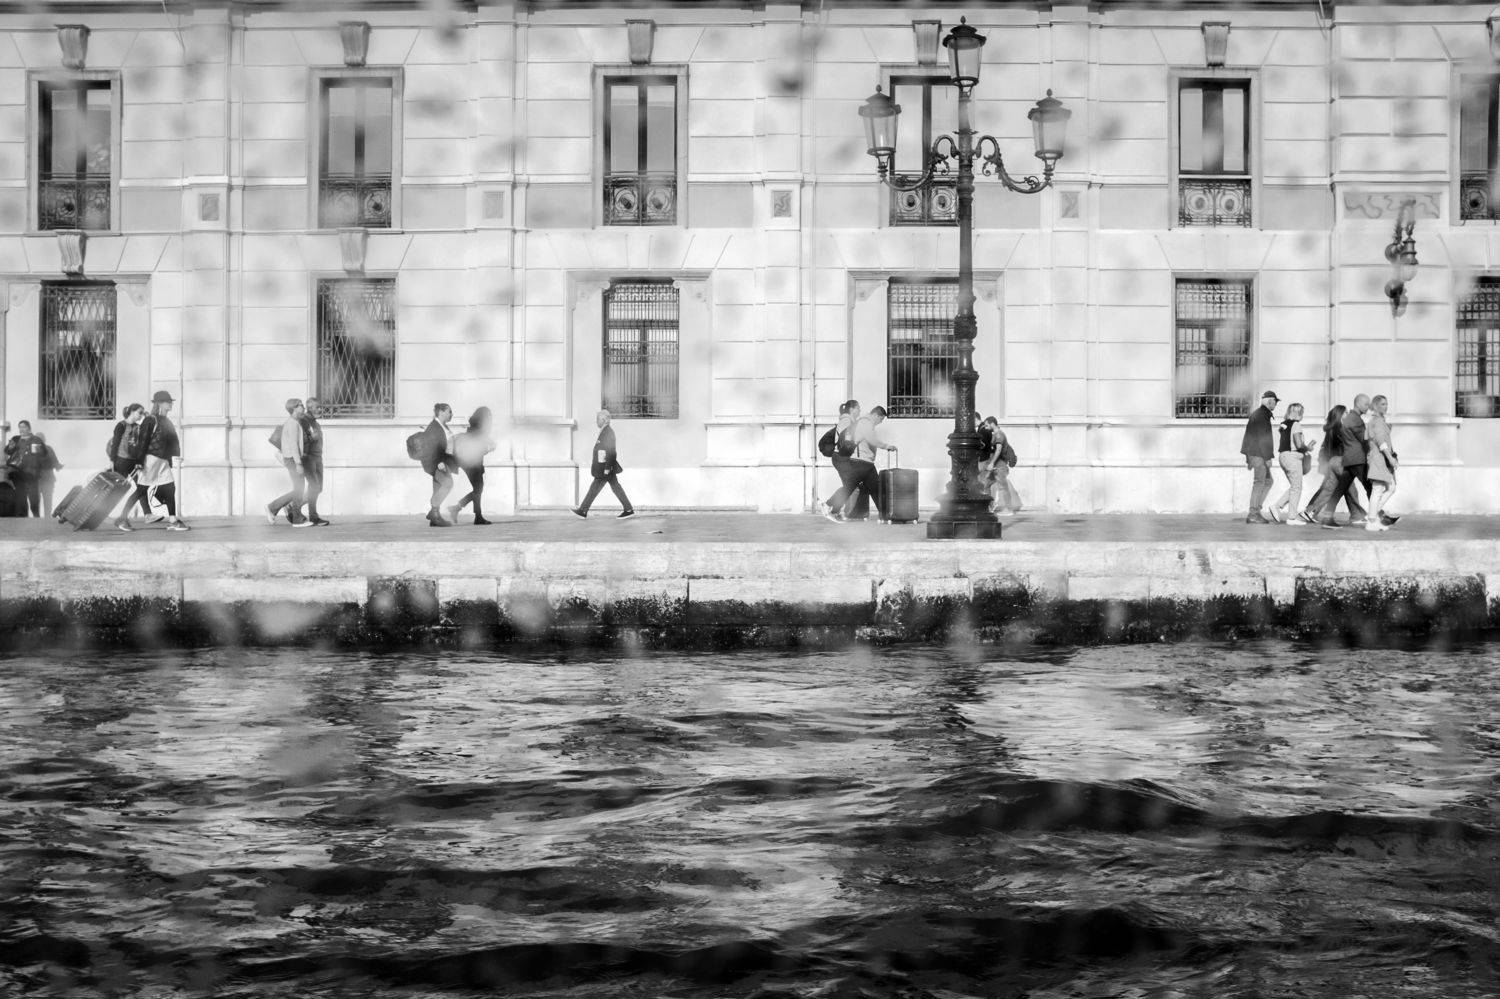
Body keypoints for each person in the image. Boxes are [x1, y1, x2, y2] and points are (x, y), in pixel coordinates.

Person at [130, 390, 190, 531]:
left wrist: (172, 458)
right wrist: (139, 461)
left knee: (170, 488)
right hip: (151, 459)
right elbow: (143, 442)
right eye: (168, 402)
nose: (171, 404)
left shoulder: (167, 421)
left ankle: (173, 520)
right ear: (160, 404)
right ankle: (122, 518)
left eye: (170, 402)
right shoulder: (151, 420)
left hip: (162, 461)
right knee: (141, 490)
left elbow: (171, 442)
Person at [1313, 394, 1372, 529]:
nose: (1368, 407)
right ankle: (1376, 516)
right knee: (1368, 487)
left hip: (1343, 460)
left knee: (1338, 489)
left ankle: (1327, 517)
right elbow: (1363, 440)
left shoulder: (1340, 425)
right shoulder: (1353, 421)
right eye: (1366, 404)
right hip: (1351, 460)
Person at [572, 408, 634, 519]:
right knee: (614, 487)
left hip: (605, 468)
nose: (596, 421)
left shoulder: (608, 432)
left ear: (603, 420)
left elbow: (611, 451)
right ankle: (628, 509)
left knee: (596, 488)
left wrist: (607, 468)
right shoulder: (605, 431)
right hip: (604, 467)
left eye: (598, 419)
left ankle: (583, 510)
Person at [846, 404, 896, 522]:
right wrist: (886, 446)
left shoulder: (866, 422)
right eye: (881, 419)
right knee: (875, 489)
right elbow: (871, 439)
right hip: (862, 461)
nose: (880, 422)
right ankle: (886, 515)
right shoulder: (866, 422)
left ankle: (856, 514)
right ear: (876, 415)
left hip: (863, 461)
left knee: (865, 488)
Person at [449, 405, 496, 526]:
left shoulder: (474, 426)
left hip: (468, 461)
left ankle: (459, 509)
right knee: (478, 489)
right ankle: (474, 515)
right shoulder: (481, 429)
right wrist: (490, 447)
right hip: (473, 462)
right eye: (489, 416)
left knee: (478, 489)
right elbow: (479, 447)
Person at [266, 398, 310, 527]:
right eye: (301, 405)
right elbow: (293, 445)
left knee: (298, 490)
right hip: (293, 460)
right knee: (299, 490)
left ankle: (274, 508)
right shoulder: (292, 424)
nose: (303, 407)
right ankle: (295, 518)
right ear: (294, 408)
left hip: (291, 459)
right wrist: (298, 463)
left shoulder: (293, 422)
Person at [1239, 389, 1279, 524]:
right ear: (1270, 401)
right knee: (1260, 482)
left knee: (1268, 481)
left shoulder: (1260, 414)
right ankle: (1253, 513)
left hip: (1256, 454)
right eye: (1275, 402)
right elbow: (1263, 438)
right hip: (1259, 454)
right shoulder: (1262, 415)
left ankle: (1256, 510)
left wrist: (1249, 457)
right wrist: (1267, 458)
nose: (1276, 405)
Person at [1268, 403, 1311, 525]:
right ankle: (1291, 518)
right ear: (1298, 413)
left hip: (1283, 456)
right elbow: (1298, 444)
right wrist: (1307, 447)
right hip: (1293, 457)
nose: (1302, 415)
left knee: (1294, 486)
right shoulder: (1296, 424)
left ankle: (1277, 507)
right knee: (1297, 487)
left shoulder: (1284, 424)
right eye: (1302, 413)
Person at [108, 403, 148, 531]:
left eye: (142, 413)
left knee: (142, 487)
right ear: (132, 411)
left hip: (133, 463)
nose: (141, 415)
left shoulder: (138, 427)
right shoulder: (121, 425)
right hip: (121, 462)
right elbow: (115, 444)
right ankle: (119, 518)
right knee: (115, 491)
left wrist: (140, 461)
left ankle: (145, 514)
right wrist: (112, 461)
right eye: (139, 412)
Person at [1363, 394, 1400, 531]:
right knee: (1378, 489)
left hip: (1380, 459)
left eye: (1386, 404)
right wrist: (1390, 458)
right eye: (1383, 404)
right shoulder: (1377, 421)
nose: (1386, 406)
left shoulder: (1378, 421)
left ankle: (1372, 516)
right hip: (1379, 459)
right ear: (1376, 406)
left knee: (1391, 487)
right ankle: (1371, 521)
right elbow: (1381, 442)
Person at [419, 402, 458, 527]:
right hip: (438, 462)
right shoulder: (435, 427)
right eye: (449, 411)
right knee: (448, 484)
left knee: (438, 488)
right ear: (441, 412)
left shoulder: (442, 426)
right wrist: (438, 462)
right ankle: (433, 512)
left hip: (443, 461)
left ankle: (435, 518)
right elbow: (430, 447)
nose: (451, 414)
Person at [822, 399, 860, 522]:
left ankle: (834, 509)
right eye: (858, 408)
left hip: (843, 457)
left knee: (850, 486)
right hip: (841, 457)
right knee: (850, 486)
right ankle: (829, 506)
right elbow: (846, 440)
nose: (859, 411)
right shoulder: (847, 421)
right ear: (852, 409)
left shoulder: (849, 421)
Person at [979, 416, 1022, 514]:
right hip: (995, 465)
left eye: (986, 425)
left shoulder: (999, 435)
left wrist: (992, 463)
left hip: (1000, 465)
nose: (985, 427)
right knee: (986, 484)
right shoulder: (994, 434)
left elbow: (998, 450)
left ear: (992, 424)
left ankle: (1008, 509)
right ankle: (990, 506)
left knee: (1002, 486)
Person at [4, 420, 42, 516]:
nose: (21, 429)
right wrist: (11, 447)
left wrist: (34, 451)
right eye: (20, 427)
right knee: (21, 498)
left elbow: (39, 455)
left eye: (24, 427)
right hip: (17, 473)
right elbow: (7, 451)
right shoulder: (16, 438)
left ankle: (36, 516)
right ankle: (23, 518)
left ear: (29, 428)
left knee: (33, 498)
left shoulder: (35, 439)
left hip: (31, 474)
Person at [301, 397, 329, 527]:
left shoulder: (315, 422)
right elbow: (301, 439)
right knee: (314, 487)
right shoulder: (304, 421)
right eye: (317, 407)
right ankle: (313, 516)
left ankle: (294, 505)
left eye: (320, 406)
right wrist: (311, 438)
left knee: (319, 488)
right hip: (309, 458)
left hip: (318, 457)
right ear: (309, 408)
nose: (320, 409)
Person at [33, 433, 62, 517]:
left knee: (39, 500)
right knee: (47, 500)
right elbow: (55, 462)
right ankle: (46, 517)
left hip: (39, 479)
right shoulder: (48, 449)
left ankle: (38, 518)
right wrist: (58, 466)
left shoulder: (33, 450)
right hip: (46, 479)